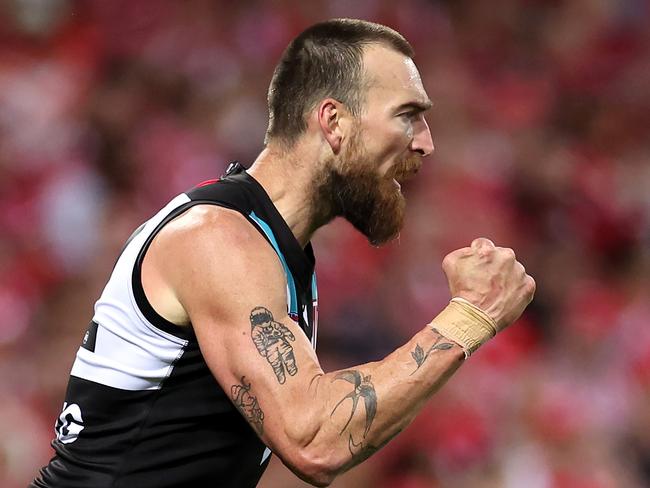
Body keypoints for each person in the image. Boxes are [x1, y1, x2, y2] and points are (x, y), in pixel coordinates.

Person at [31, 18, 535, 488]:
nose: (425, 143)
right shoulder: (218, 239)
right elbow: (313, 440)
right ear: (334, 122)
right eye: (407, 116)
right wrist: (470, 316)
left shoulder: (278, 249)